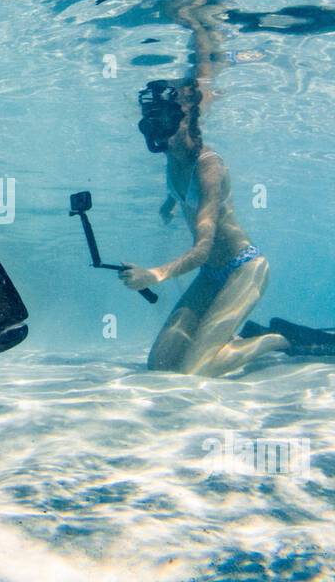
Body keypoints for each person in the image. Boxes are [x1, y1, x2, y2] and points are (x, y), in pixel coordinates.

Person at [120, 76, 288, 375]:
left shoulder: (209, 166)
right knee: (160, 365)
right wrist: (168, 205)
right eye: (151, 121)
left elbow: (201, 249)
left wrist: (154, 275)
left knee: (197, 370)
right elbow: (179, 190)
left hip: (244, 269)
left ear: (185, 119)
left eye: (163, 120)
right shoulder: (172, 156)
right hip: (211, 275)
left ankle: (277, 340)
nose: (158, 132)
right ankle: (226, 340)